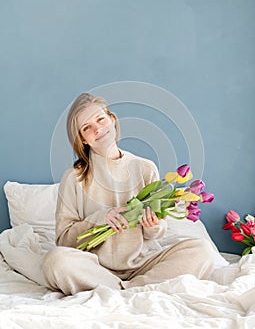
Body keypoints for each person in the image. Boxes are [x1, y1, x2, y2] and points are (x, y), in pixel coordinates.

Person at [42, 93, 215, 295]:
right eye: (87, 128)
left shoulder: (145, 168)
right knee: (55, 261)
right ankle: (134, 291)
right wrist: (100, 219)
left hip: (143, 264)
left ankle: (123, 290)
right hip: (95, 267)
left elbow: (157, 232)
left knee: (203, 251)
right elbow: (63, 241)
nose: (98, 129)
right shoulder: (74, 178)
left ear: (112, 120)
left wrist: (154, 225)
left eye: (101, 119)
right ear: (83, 140)